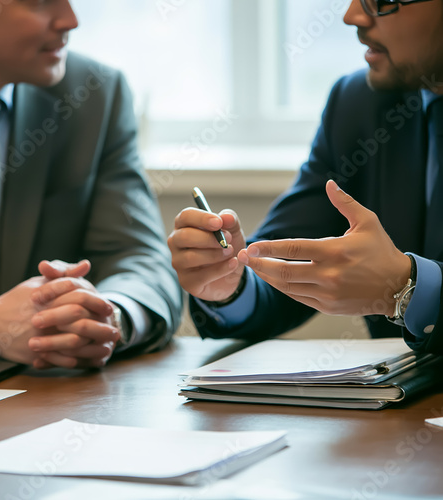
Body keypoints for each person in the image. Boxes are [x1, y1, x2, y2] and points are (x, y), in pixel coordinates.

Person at [168, 0, 443, 354]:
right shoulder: (359, 103)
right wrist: (230, 283)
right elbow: (290, 263)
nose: (351, 16)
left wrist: (408, 286)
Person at [0, 0, 182, 369]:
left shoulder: (94, 94)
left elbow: (141, 260)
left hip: (42, 402)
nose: (71, 19)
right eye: (41, 2)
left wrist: (106, 315)